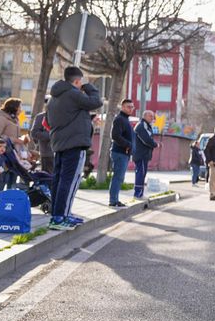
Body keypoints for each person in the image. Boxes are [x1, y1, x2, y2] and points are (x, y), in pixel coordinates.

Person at [45, 66, 102, 231]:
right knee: (69, 181)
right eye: (80, 82)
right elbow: (95, 102)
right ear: (77, 81)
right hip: (74, 144)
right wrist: (89, 87)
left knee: (59, 180)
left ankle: (58, 214)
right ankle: (59, 217)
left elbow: (53, 120)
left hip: (59, 143)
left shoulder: (54, 97)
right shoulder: (73, 93)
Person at [0, 98, 22, 191]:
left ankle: (9, 204)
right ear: (14, 107)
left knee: (12, 184)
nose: (21, 110)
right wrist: (14, 140)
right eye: (19, 107)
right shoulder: (0, 117)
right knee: (1, 183)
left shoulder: (14, 118)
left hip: (13, 156)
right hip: (3, 155)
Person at [109, 99, 135, 207]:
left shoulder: (125, 119)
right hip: (119, 153)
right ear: (122, 107)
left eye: (132, 107)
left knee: (120, 177)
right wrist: (128, 144)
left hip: (124, 153)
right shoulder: (119, 119)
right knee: (118, 177)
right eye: (129, 107)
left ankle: (115, 199)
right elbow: (115, 136)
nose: (131, 109)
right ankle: (113, 201)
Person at [132, 110, 157, 199]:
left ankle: (140, 192)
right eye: (150, 116)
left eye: (153, 116)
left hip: (144, 154)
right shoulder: (142, 126)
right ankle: (138, 193)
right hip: (141, 154)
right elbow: (146, 140)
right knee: (140, 173)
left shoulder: (147, 126)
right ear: (145, 116)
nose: (152, 118)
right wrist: (155, 144)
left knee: (142, 173)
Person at [29, 97, 53, 174]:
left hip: (63, 152)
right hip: (47, 153)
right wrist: (52, 135)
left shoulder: (64, 116)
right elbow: (34, 133)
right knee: (48, 177)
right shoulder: (41, 116)